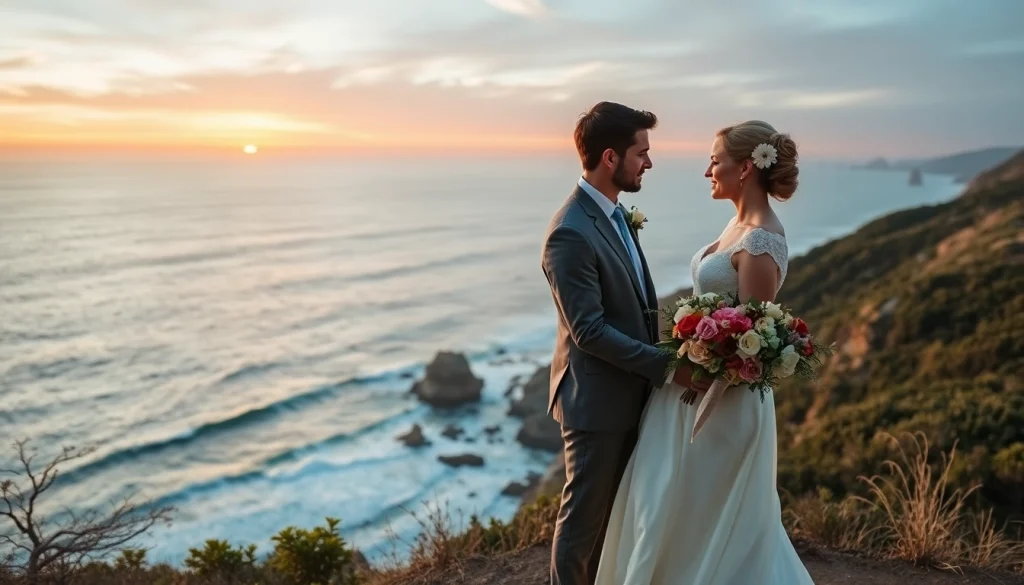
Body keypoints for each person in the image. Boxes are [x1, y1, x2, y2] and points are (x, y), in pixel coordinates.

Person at [592, 120, 815, 584]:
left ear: (747, 168)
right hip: (688, 389)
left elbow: (755, 340)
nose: (707, 171)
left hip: (721, 405)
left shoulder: (761, 241)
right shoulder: (736, 223)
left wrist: (707, 364)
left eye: (715, 161)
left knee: (705, 518)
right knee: (666, 507)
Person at [540, 101, 710, 585]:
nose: (649, 163)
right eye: (643, 152)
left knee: (613, 524)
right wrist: (666, 366)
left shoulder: (613, 216)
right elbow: (588, 330)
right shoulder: (569, 234)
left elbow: (633, 307)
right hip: (596, 403)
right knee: (582, 527)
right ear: (611, 158)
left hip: (628, 393)